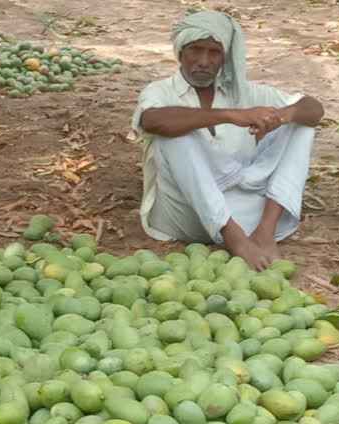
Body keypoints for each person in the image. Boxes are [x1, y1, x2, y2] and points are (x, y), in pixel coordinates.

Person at [132, 10, 324, 270]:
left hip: (244, 212)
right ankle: (236, 240)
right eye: (195, 50)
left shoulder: (245, 92)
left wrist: (283, 115)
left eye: (214, 53)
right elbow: (151, 121)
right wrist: (232, 115)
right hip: (184, 216)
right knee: (173, 134)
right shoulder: (160, 91)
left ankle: (265, 233)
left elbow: (314, 109)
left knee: (302, 125)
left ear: (225, 57)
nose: (204, 61)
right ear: (180, 52)